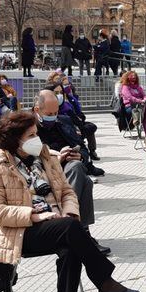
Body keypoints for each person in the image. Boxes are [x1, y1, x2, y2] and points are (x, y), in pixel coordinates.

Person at [0, 111, 141, 292]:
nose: (38, 139)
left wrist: (69, 212)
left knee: (70, 247)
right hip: (22, 232)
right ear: (16, 139)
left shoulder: (46, 158)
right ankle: (105, 283)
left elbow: (67, 192)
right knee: (71, 230)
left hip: (59, 225)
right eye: (32, 135)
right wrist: (35, 215)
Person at [34, 91, 108, 251]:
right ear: (37, 109)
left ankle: (76, 230)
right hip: (42, 172)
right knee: (85, 181)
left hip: (69, 168)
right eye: (48, 114)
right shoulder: (27, 126)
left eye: (56, 113)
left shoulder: (64, 121)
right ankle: (80, 231)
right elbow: (25, 159)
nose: (53, 117)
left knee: (78, 168)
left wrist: (79, 155)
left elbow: (83, 148)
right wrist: (56, 160)